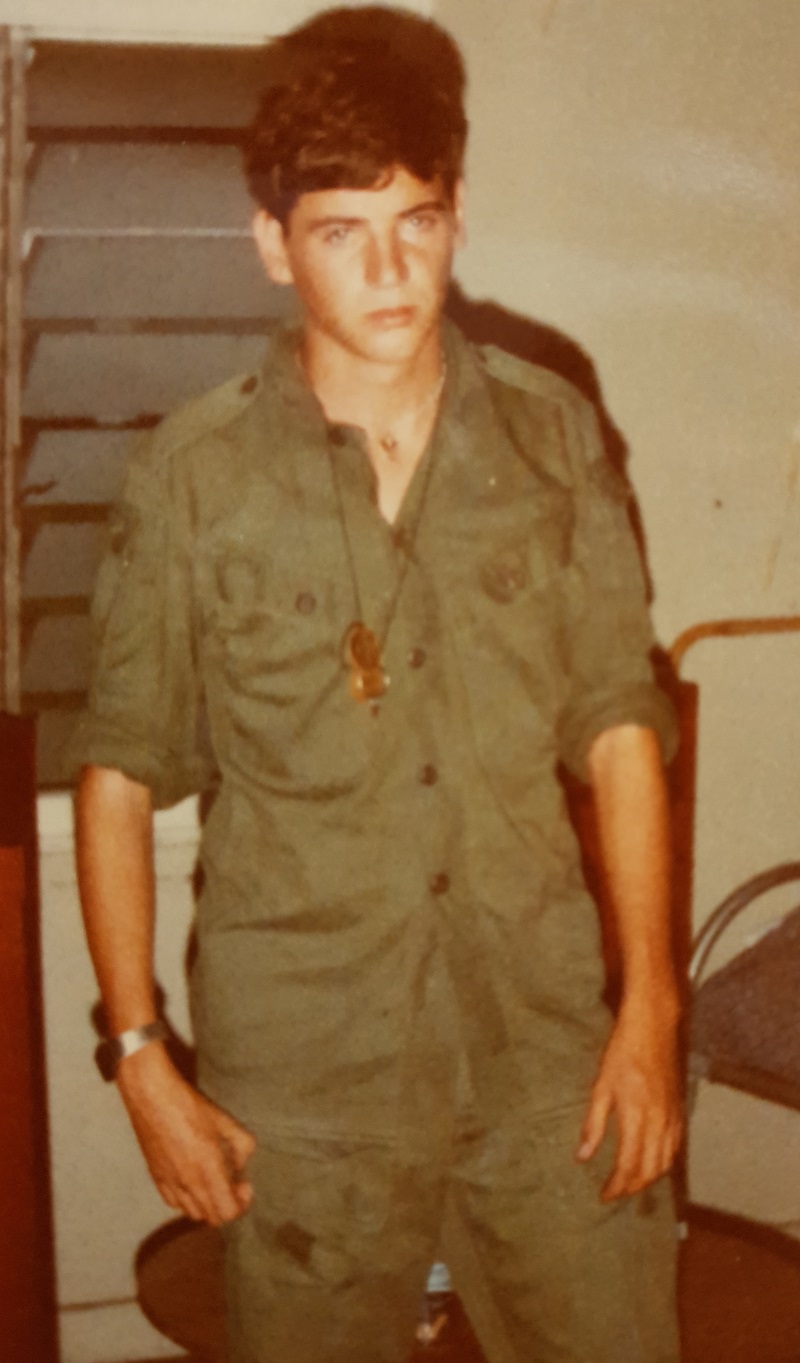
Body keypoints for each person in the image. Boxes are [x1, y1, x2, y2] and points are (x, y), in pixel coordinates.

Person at [73, 7, 684, 1361]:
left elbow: (622, 731)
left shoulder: (550, 429)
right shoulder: (196, 475)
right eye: (342, 231)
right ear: (274, 246)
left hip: (547, 1065)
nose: (389, 266)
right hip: (304, 1091)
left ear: (455, 214)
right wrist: (140, 1060)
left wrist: (650, 1009)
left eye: (414, 219)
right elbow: (115, 778)